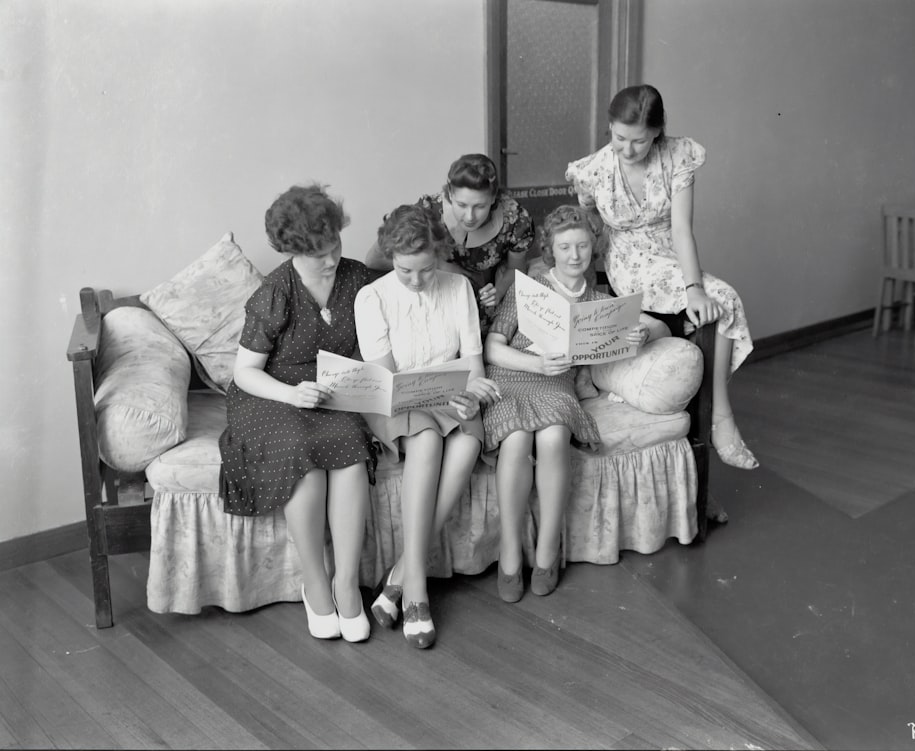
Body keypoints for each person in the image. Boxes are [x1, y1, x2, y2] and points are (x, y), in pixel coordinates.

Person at [219, 184, 383, 643]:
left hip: (331, 393)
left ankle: (346, 583)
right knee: (301, 453)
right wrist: (291, 395)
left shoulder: (359, 279)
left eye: (335, 247)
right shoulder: (276, 291)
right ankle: (315, 584)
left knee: (351, 445)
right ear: (292, 250)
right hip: (272, 395)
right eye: (318, 255)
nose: (331, 260)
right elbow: (246, 371)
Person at [566, 83, 759, 470]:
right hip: (627, 259)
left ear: (657, 131)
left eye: (638, 141)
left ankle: (721, 417)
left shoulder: (678, 156)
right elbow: (587, 222)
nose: (628, 149)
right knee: (715, 304)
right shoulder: (592, 170)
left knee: (724, 300)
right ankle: (720, 418)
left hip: (669, 255)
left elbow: (682, 229)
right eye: (619, 137)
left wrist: (694, 287)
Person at [482, 205, 667, 602]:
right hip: (513, 377)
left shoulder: (599, 301)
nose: (574, 255)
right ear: (551, 248)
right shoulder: (529, 288)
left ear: (592, 247)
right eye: (565, 247)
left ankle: (548, 550)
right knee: (515, 442)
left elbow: (659, 324)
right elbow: (492, 348)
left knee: (552, 438)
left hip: (557, 387)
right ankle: (510, 553)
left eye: (582, 246)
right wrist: (537, 363)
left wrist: (643, 336)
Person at [355, 203, 501, 649]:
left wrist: (470, 394)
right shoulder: (372, 297)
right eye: (405, 271)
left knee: (466, 443)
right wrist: (438, 397)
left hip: (450, 393)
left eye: (425, 269)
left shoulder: (459, 288)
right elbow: (389, 383)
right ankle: (416, 590)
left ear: (439, 254)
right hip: (396, 402)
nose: (417, 281)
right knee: (425, 437)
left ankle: (400, 573)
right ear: (390, 258)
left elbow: (475, 368)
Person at [364, 153, 534, 339]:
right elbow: (375, 259)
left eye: (480, 206)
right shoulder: (428, 210)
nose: (470, 216)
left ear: (493, 198)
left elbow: (516, 269)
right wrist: (439, 265)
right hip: (436, 294)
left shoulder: (515, 219)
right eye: (461, 204)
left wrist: (497, 292)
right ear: (450, 194)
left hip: (484, 300)